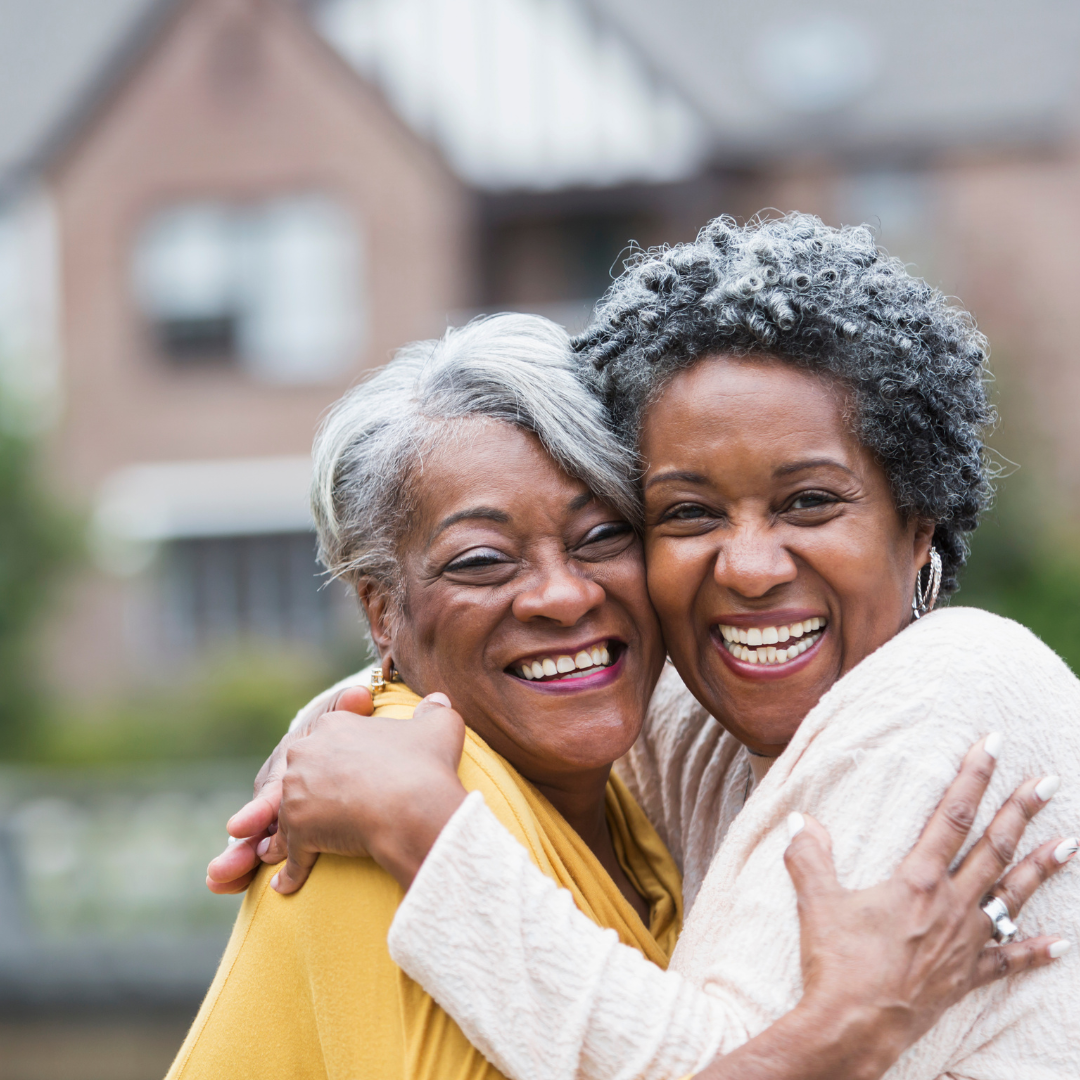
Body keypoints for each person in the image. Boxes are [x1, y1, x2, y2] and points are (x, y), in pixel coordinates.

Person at [213, 217, 1080, 1079]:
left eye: (810, 502)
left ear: (919, 524)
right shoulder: (693, 730)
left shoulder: (962, 689)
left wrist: (420, 824)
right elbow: (523, 684)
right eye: (688, 514)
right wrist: (338, 729)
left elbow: (710, 1060)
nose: (746, 569)